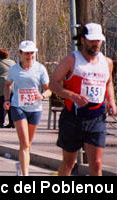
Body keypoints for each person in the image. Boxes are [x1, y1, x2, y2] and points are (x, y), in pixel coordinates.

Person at [49, 23, 116, 176]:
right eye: (92, 40)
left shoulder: (107, 62)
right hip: (73, 117)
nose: (96, 44)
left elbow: (108, 83)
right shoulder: (71, 60)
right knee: (68, 163)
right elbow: (53, 84)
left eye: (98, 40)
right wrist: (72, 95)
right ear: (83, 40)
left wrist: (111, 100)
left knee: (97, 164)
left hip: (96, 118)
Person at [4, 41, 51, 176]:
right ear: (20, 53)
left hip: (35, 109)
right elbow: (7, 85)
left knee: (27, 144)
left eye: (31, 53)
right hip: (18, 107)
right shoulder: (14, 69)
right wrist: (7, 100)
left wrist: (41, 95)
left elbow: (48, 90)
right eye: (26, 53)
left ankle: (21, 163)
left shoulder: (40, 68)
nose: (29, 56)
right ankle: (25, 174)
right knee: (24, 142)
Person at [0, 48, 16, 128]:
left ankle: (0, 122)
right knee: (11, 104)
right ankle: (12, 122)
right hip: (13, 84)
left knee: (2, 103)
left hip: (2, 85)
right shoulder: (13, 63)